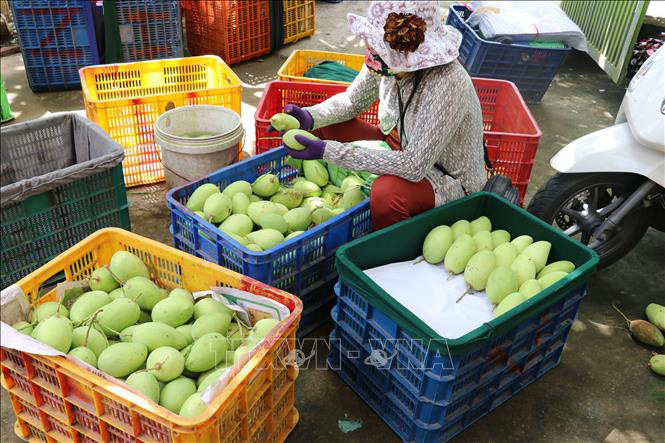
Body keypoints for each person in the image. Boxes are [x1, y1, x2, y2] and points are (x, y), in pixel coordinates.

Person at [278, 1, 486, 231]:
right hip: (400, 145)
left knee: (387, 194)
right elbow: (352, 102)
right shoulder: (386, 63)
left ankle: (398, 249)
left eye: (377, 43)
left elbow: (413, 166)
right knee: (324, 127)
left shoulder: (447, 83)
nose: (368, 46)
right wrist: (308, 117)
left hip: (450, 181)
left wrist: (329, 151)